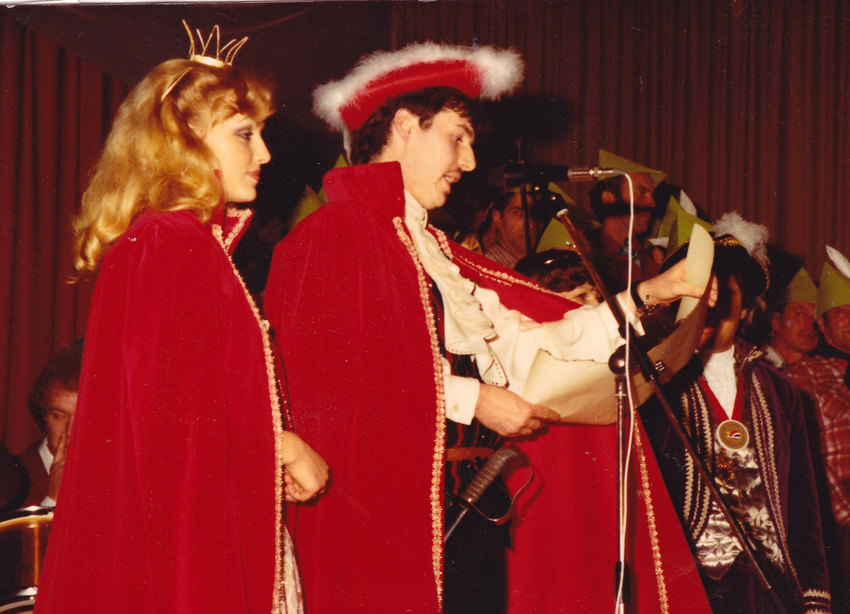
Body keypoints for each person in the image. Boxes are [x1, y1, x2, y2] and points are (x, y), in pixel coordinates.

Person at [264, 42, 713, 613]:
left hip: (471, 512)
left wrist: (651, 294)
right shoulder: (333, 235)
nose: (471, 162)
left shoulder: (433, 250)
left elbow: (530, 345)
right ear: (404, 126)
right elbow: (336, 385)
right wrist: (475, 399)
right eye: (458, 137)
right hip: (393, 520)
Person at [35, 22, 327, 614]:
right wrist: (286, 446)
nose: (265, 154)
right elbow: (178, 420)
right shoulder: (171, 243)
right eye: (244, 134)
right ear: (184, 141)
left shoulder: (176, 242)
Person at [642, 214, 832, 613]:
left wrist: (815, 598)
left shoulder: (781, 391)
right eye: (699, 293)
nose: (709, 306)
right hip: (688, 585)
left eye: (723, 294)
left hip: (771, 588)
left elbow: (805, 509)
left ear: (745, 307)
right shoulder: (652, 384)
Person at [788, 246, 850, 612]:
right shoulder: (805, 374)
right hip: (841, 525)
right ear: (822, 326)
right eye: (841, 312)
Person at [587, 151, 666, 292]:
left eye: (652, 195)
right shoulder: (588, 257)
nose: (652, 203)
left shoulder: (651, 258)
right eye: (641, 193)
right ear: (609, 199)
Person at [17, 346, 82, 508]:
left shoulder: (114, 473)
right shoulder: (11, 477)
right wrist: (52, 500)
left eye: (82, 418)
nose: (70, 431)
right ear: (43, 414)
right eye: (59, 416)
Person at [764, 267, 819, 368]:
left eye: (817, 316)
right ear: (776, 321)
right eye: (800, 314)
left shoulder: (823, 371)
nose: (812, 324)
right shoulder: (757, 369)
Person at [481, 188, 547, 268]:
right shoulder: (487, 267)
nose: (530, 225)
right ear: (497, 217)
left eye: (535, 215)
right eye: (517, 213)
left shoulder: (532, 267)